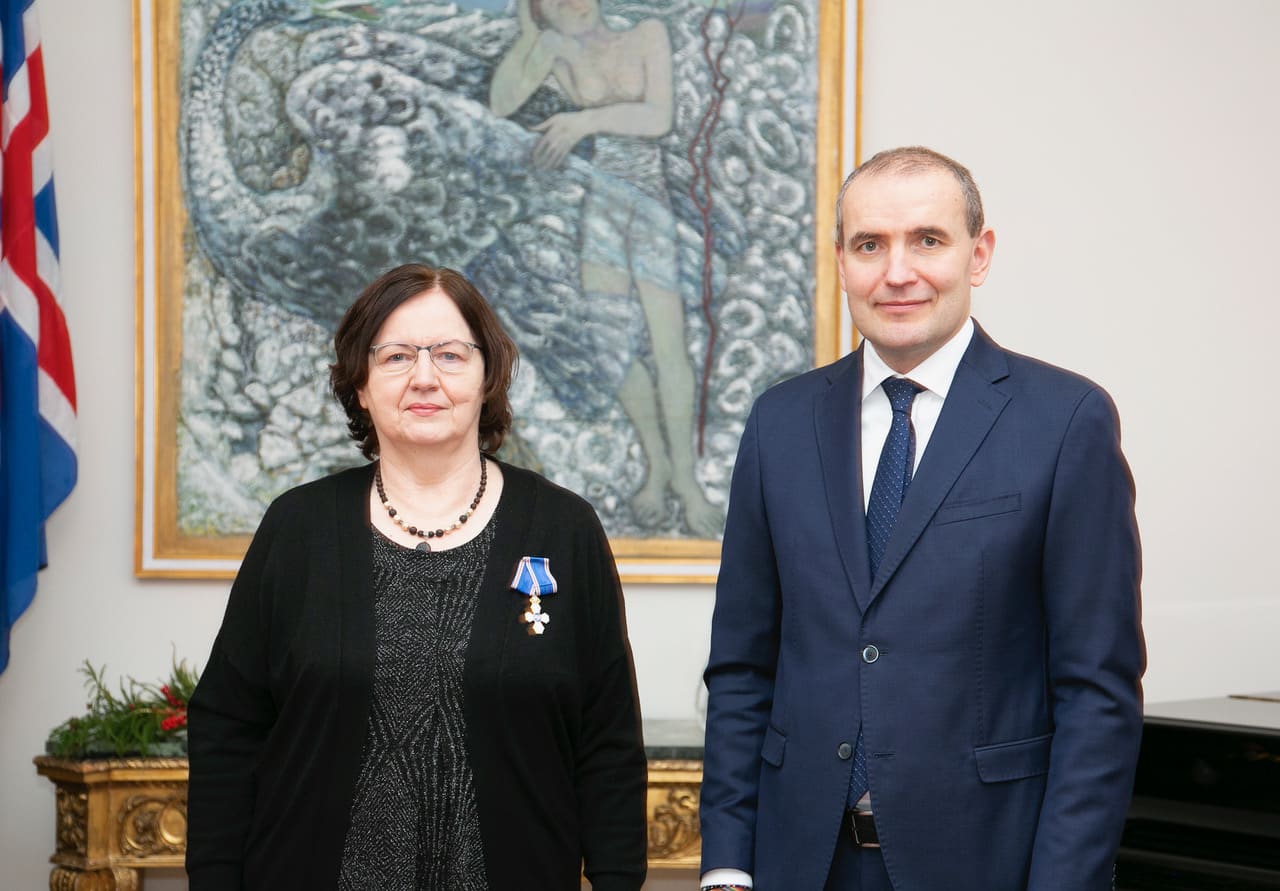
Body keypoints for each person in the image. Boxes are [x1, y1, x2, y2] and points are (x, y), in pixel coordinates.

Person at [699, 147, 1144, 890]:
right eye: (870, 245)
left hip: (984, 865)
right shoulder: (780, 422)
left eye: (928, 240)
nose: (897, 272)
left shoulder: (1066, 421)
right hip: (799, 864)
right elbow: (743, 669)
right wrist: (726, 867)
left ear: (979, 254)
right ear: (841, 261)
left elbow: (1096, 694)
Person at [185, 263, 647, 889]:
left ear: (487, 377)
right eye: (397, 356)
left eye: (450, 355)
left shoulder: (564, 529)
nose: (425, 377)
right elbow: (228, 728)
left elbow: (609, 741)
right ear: (361, 385)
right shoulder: (297, 528)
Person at [489, 0, 721, 537]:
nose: (571, 3)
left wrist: (582, 121)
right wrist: (528, 36)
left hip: (649, 205)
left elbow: (658, 117)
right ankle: (656, 465)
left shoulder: (647, 33)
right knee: (611, 348)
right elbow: (499, 103)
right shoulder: (556, 51)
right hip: (601, 210)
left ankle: (686, 481)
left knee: (668, 345)